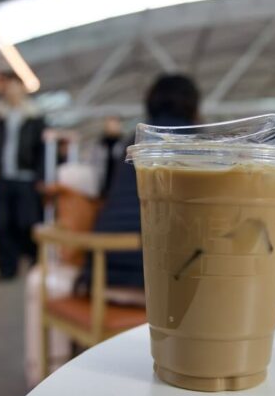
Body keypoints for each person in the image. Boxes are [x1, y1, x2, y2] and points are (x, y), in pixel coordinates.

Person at [78, 74, 201, 297]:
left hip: (98, 271)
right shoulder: (198, 144)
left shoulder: (133, 142)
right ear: (193, 105)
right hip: (152, 280)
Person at [0, 75, 46, 280]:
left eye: (14, 86)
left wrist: (41, 176)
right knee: (1, 224)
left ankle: (32, 259)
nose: (11, 91)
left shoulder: (34, 117)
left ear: (22, 89)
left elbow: (42, 150)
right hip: (3, 179)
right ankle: (7, 268)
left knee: (26, 223)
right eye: (7, 87)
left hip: (27, 180)